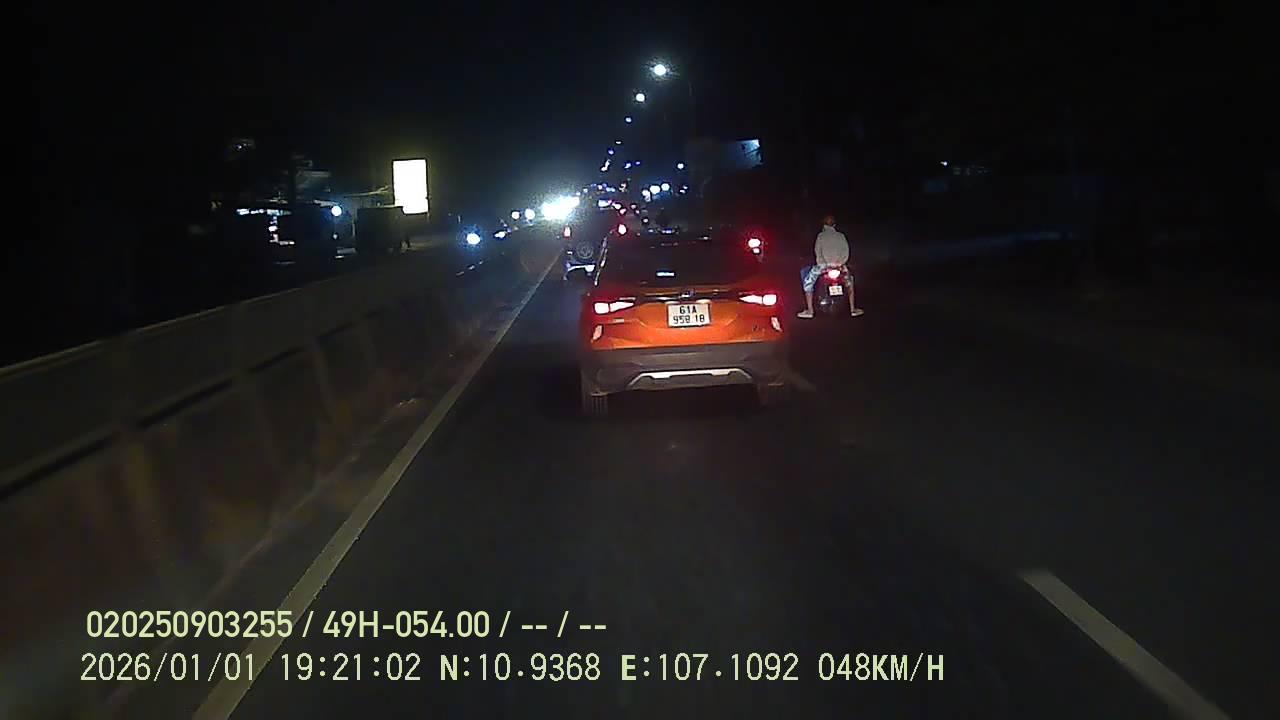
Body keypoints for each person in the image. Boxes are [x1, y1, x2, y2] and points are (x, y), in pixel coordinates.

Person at [797, 214, 862, 318]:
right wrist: (840, 263)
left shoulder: (820, 236)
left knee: (808, 283)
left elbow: (818, 252)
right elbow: (846, 252)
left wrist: (824, 264)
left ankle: (810, 310)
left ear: (824, 225)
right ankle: (853, 309)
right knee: (850, 283)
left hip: (823, 266)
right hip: (840, 266)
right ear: (834, 225)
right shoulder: (841, 236)